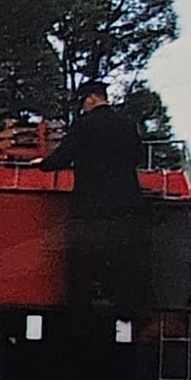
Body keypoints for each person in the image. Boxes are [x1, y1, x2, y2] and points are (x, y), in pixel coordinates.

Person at [37, 81, 143, 307]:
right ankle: (120, 303)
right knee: (120, 258)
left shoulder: (84, 125)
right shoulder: (126, 125)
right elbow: (138, 157)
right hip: (126, 204)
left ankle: (82, 306)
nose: (83, 106)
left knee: (83, 259)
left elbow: (63, 157)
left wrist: (43, 164)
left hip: (90, 204)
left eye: (84, 101)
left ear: (92, 98)